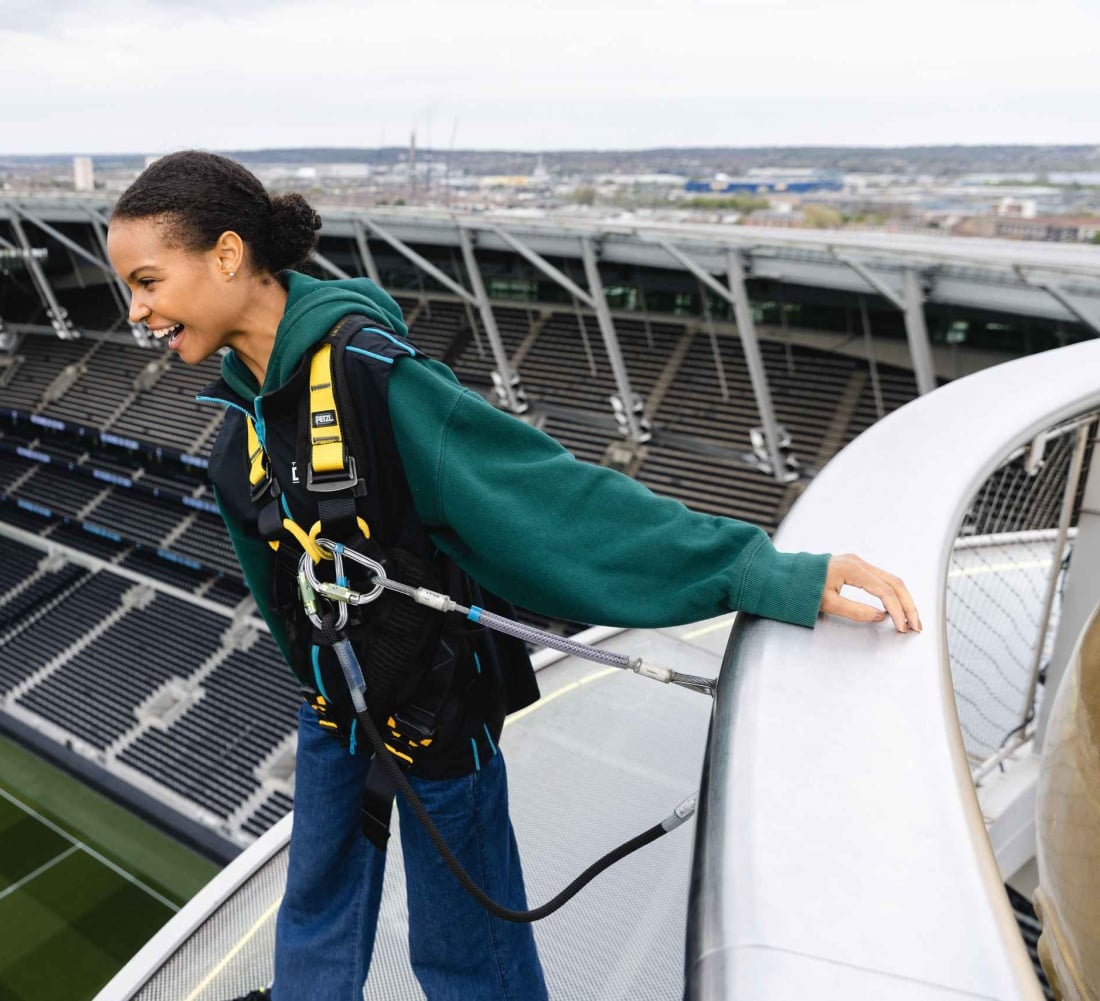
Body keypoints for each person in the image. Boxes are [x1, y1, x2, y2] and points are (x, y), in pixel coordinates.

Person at [106, 150, 921, 1001]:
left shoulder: (375, 380)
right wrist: (337, 691)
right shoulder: (235, 443)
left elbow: (555, 504)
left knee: (466, 953)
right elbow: (287, 617)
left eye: (149, 280)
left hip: (432, 714)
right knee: (311, 925)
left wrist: (765, 571)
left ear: (228, 256)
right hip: (337, 717)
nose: (138, 310)